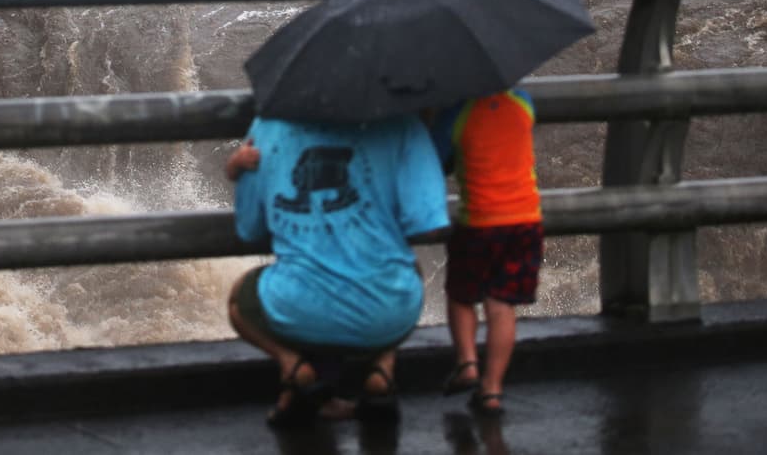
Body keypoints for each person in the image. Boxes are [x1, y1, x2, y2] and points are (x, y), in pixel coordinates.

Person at [225, 113, 449, 427]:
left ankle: (294, 368)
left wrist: (236, 168)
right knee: (407, 267)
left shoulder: (268, 127)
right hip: (387, 314)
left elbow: (250, 229)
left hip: (299, 309)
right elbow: (428, 226)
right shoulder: (405, 126)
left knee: (239, 299)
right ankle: (382, 371)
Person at [429, 88, 544, 417]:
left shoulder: (457, 112)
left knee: (461, 295)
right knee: (502, 305)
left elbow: (437, 161)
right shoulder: (523, 102)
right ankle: (492, 391)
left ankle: (467, 363)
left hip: (480, 221)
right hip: (526, 220)